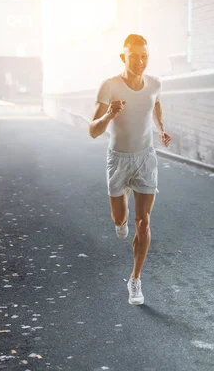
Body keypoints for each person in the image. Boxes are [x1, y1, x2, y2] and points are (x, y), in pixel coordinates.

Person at [89, 34, 171, 305]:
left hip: (145, 157)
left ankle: (135, 279)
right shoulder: (109, 86)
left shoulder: (155, 84)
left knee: (144, 221)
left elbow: (155, 105)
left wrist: (161, 129)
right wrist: (109, 115)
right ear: (123, 57)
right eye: (134, 56)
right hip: (119, 158)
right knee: (120, 219)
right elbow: (92, 131)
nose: (140, 61)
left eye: (144, 55)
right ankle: (120, 221)